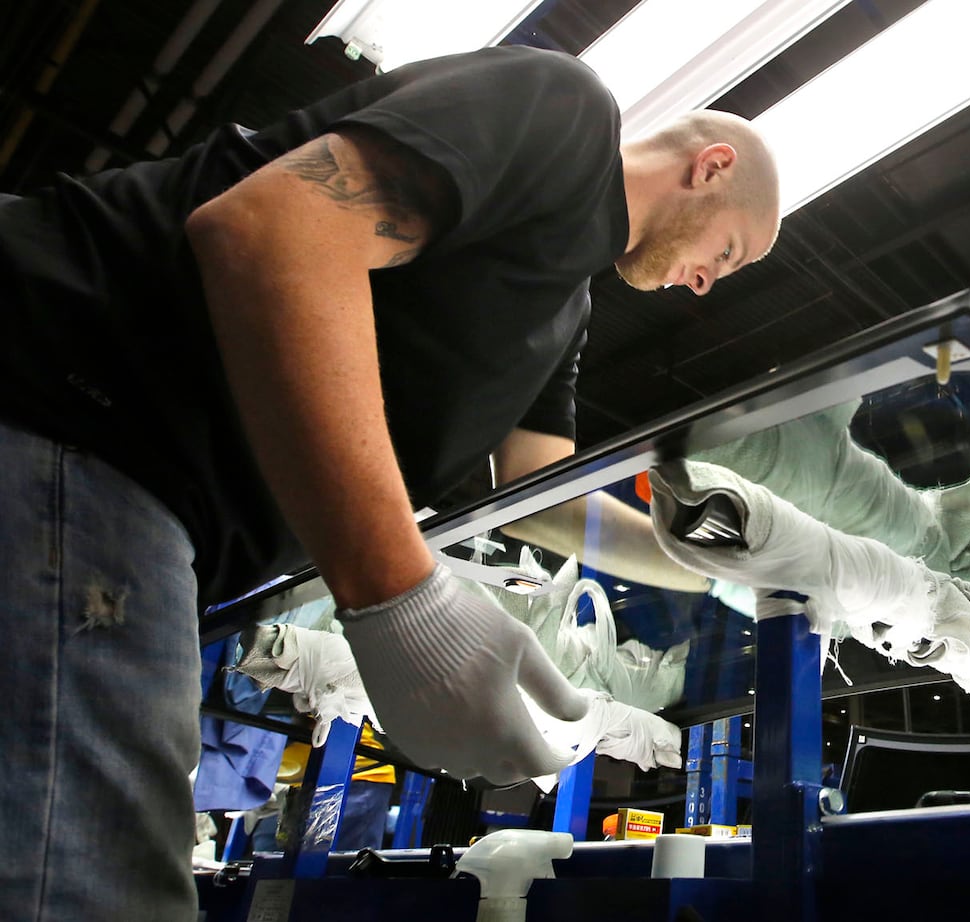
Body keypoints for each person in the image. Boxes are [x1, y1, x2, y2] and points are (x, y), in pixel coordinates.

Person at [0, 45, 779, 920]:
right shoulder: (563, 111)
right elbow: (272, 229)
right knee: (93, 888)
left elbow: (544, 496)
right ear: (711, 167)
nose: (708, 283)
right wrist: (398, 595)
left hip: (138, 510)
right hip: (77, 417)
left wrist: (718, 563)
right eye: (729, 251)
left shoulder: (565, 310)